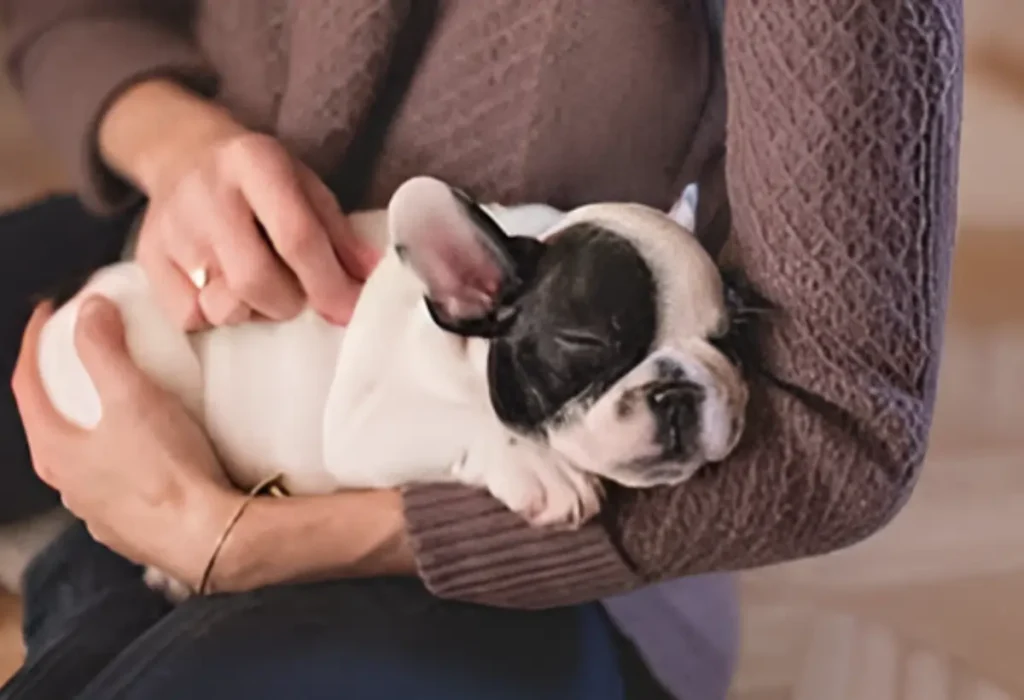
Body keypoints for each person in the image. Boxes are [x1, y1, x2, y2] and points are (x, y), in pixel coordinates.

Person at [0, 0, 962, 697]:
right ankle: (84, 587)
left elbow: (842, 428)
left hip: (551, 545)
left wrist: (248, 543)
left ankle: (79, 591)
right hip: (191, 282)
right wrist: (179, 144)